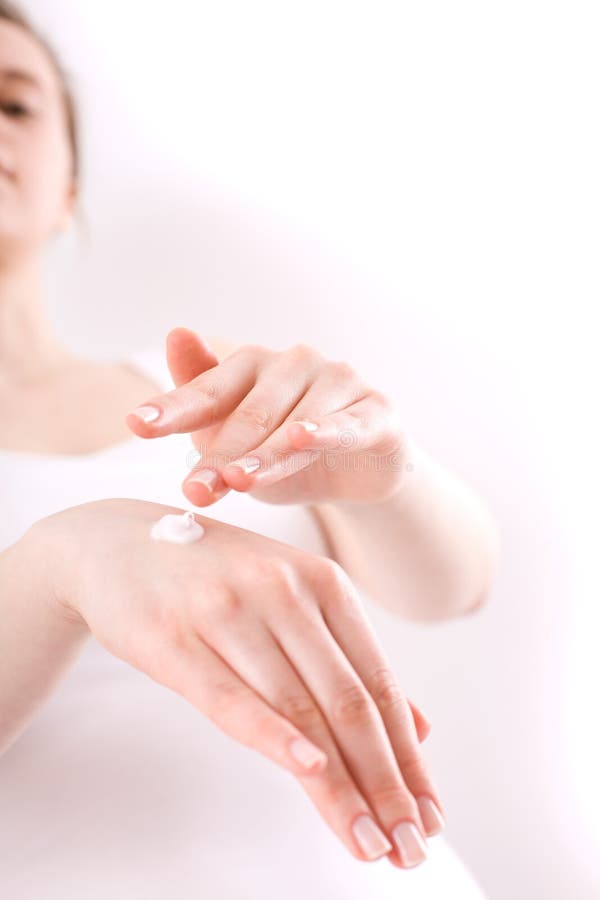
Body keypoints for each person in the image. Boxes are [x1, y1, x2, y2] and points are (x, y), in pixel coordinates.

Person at [0, 3, 498, 897]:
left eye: (16, 103)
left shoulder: (203, 383)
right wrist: (57, 565)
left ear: (69, 184)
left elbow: (458, 588)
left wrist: (386, 475)